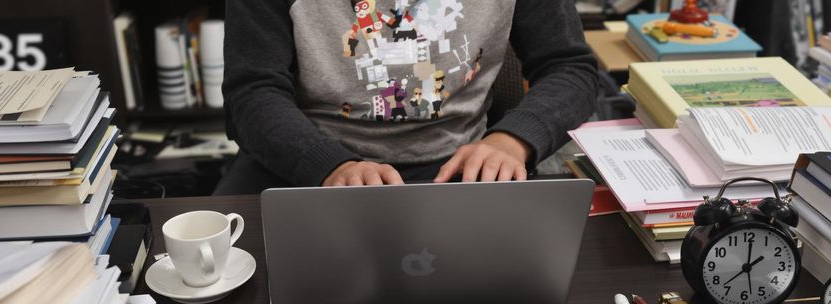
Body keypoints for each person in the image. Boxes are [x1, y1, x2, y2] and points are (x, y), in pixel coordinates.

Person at [216, 0, 598, 193]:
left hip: (461, 170)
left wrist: (513, 138)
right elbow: (251, 91)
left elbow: (570, 68)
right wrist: (328, 164)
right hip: (307, 166)